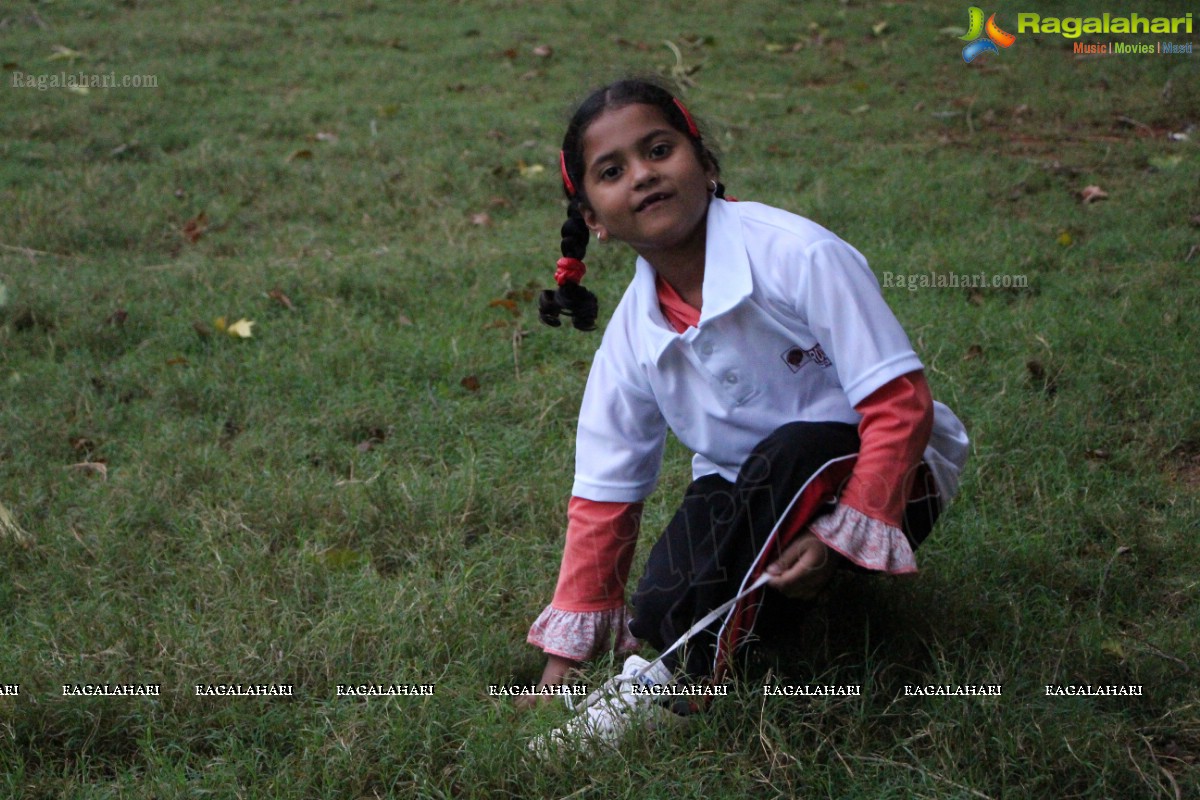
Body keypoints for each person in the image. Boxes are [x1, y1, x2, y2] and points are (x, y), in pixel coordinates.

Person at [525, 78, 969, 748]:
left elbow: (901, 404)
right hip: (751, 486)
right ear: (592, 218)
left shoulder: (798, 254)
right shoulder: (630, 339)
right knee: (659, 603)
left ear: (704, 164)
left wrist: (838, 538)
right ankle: (746, 631)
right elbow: (605, 495)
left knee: (789, 454)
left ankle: (680, 687)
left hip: (895, 476)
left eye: (659, 150)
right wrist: (560, 664)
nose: (643, 175)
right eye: (612, 172)